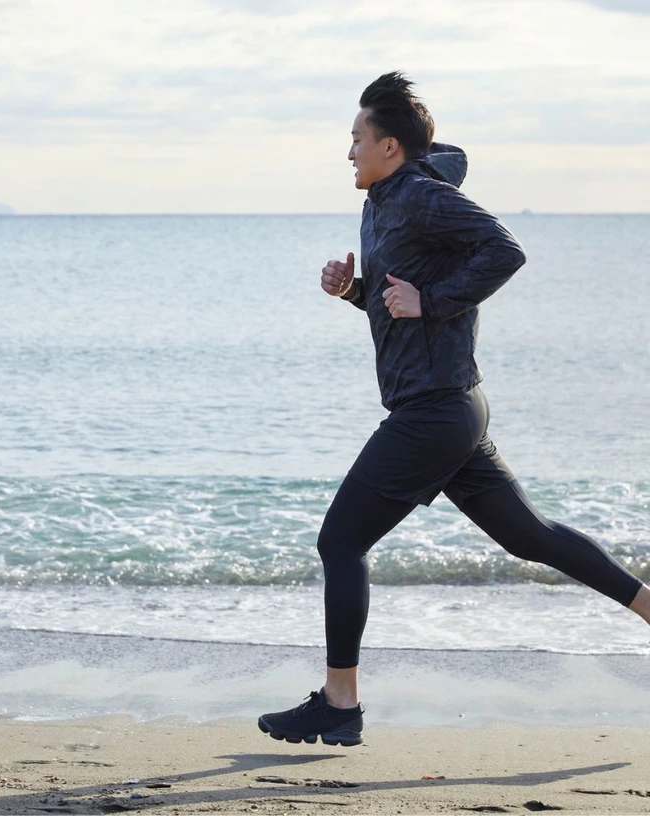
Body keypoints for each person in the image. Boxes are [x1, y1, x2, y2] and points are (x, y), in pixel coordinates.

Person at [258, 71, 650, 748]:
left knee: (340, 542)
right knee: (530, 537)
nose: (347, 151)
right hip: (452, 405)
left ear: (389, 147)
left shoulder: (420, 196)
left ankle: (340, 702)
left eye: (357, 138)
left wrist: (432, 301)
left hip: (433, 411)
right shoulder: (383, 196)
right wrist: (356, 290)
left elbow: (506, 250)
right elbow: (399, 293)